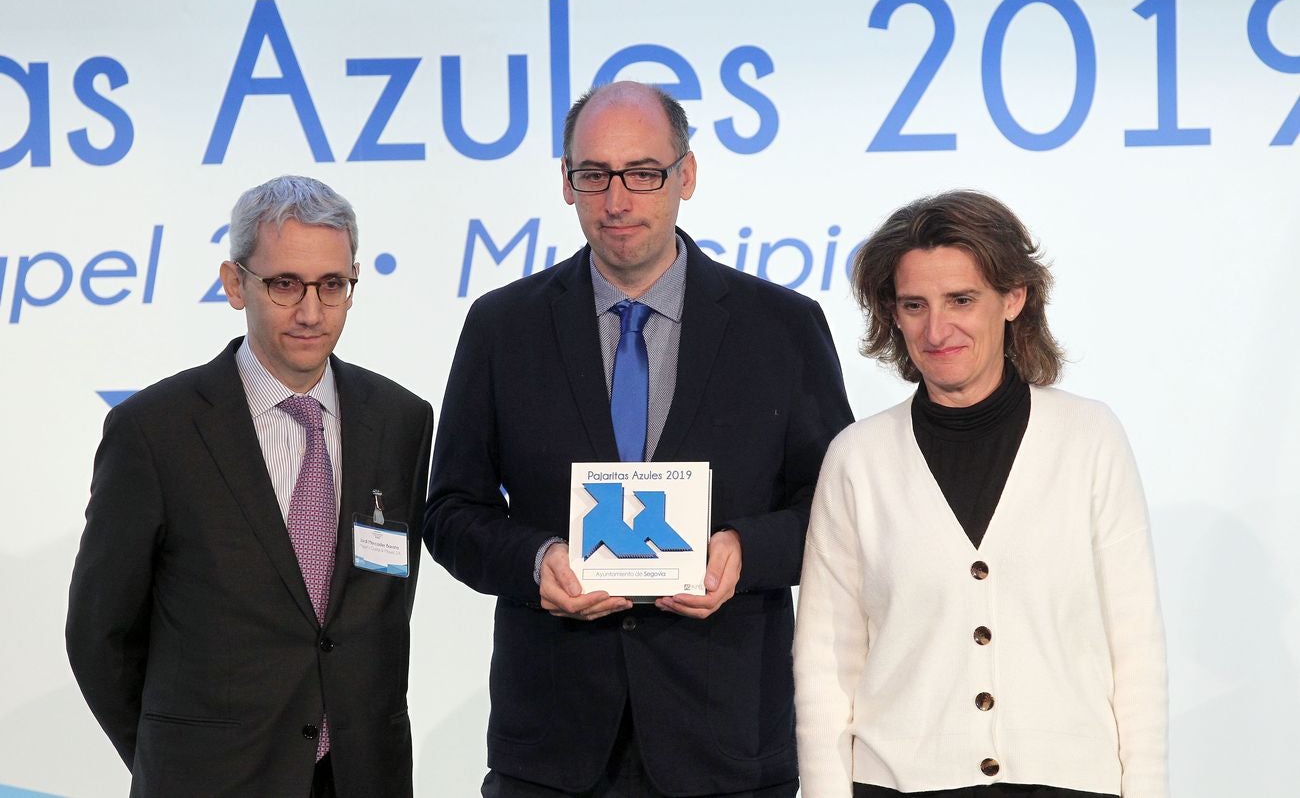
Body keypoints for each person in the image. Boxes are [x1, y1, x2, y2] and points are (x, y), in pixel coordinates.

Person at [425, 81, 854, 797]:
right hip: (552, 754)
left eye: (642, 174)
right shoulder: (503, 328)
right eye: (593, 175)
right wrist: (537, 562)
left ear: (685, 175)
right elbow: (450, 511)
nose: (616, 200)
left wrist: (747, 553)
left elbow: (839, 510)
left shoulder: (780, 327)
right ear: (566, 183)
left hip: (728, 750)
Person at [66, 176, 434, 797]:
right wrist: (176, 753)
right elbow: (101, 634)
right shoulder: (155, 431)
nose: (312, 311)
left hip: (363, 775)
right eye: (284, 284)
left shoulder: (401, 420)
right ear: (236, 284)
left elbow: (384, 603)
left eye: (333, 285)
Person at [793, 190, 1167, 798]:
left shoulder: (1089, 438)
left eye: (961, 300)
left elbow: (1136, 647)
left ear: (1014, 298)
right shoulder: (857, 459)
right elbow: (825, 665)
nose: (937, 329)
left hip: (1066, 782)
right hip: (898, 783)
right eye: (914, 305)